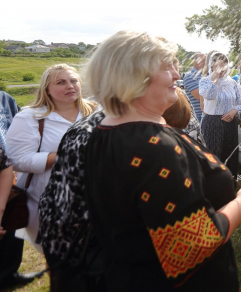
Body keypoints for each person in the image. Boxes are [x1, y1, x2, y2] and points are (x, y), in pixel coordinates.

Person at [78, 31, 241, 291]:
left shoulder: (103, 132)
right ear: (134, 76)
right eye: (167, 67)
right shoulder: (155, 147)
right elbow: (193, 246)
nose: (177, 75)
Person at [39, 72, 206, 291]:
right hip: (95, 259)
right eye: (166, 68)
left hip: (94, 251)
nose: (176, 75)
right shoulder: (109, 135)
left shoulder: (112, 122)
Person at [6, 64, 98, 255]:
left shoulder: (96, 111)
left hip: (94, 197)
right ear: (47, 89)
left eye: (74, 80)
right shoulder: (30, 117)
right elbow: (17, 160)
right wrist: (69, 155)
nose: (70, 86)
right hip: (48, 203)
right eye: (61, 82)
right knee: (63, 260)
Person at [0, 91, 41, 289]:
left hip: (5, 173)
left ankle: (8, 274)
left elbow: (14, 133)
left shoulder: (4, 99)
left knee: (9, 224)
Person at [198, 52, 241, 181]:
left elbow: (240, 103)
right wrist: (215, 77)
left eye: (224, 64)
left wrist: (234, 112)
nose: (222, 68)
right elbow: (210, 95)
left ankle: (229, 185)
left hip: (230, 122)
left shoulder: (233, 83)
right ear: (212, 65)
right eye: (218, 65)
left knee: (230, 155)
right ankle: (212, 188)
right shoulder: (205, 81)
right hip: (212, 123)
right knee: (213, 156)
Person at [182, 52, 206, 122]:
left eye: (206, 60)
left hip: (207, 117)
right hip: (198, 118)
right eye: (202, 60)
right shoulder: (190, 76)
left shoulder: (205, 75)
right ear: (195, 61)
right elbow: (198, 96)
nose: (205, 62)